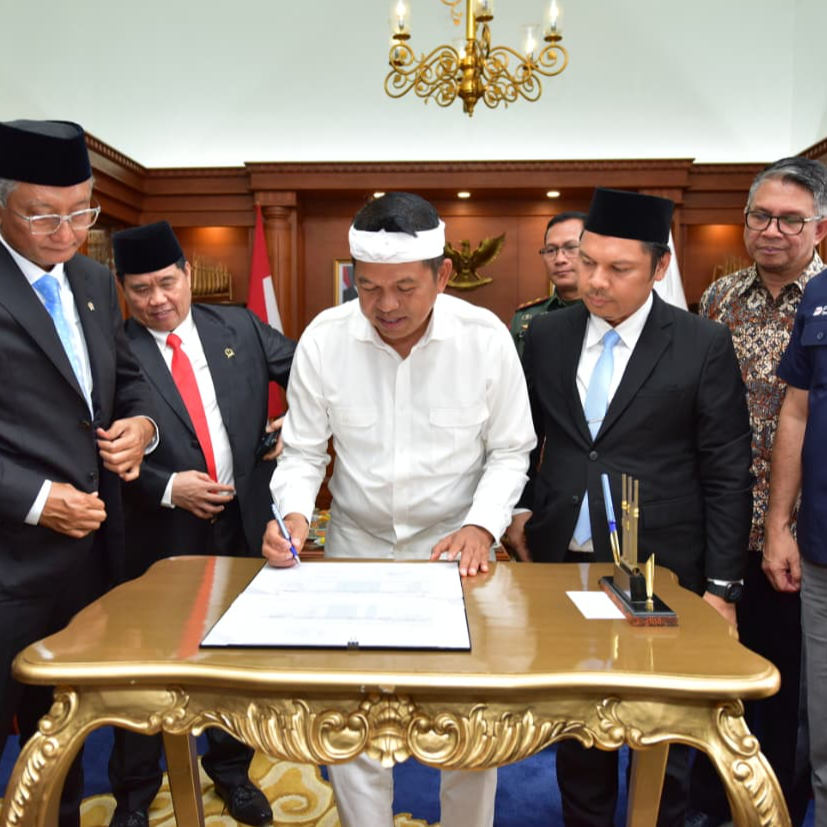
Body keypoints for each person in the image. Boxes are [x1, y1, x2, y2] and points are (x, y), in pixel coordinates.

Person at [262, 191, 535, 827]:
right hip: (356, 551)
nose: (386, 305)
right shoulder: (325, 340)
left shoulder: (485, 339)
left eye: (405, 287)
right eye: (369, 287)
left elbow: (510, 451)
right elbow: (302, 451)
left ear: (443, 275)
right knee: (353, 721)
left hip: (457, 555)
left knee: (467, 722)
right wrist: (294, 514)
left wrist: (481, 525)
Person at [507, 187, 753, 827]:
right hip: (563, 558)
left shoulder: (702, 343)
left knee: (663, 727)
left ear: (659, 266)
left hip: (661, 566)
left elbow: (727, 471)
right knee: (575, 720)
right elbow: (525, 437)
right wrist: (521, 509)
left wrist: (722, 588)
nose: (594, 280)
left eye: (618, 269)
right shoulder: (546, 334)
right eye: (587, 261)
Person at [106, 220, 296, 827]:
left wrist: (296, 425)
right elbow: (97, 448)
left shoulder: (238, 325)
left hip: (242, 523)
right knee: (149, 661)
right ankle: (135, 794)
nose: (157, 300)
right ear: (122, 290)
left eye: (167, 282)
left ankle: (231, 771)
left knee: (234, 657)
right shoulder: (111, 348)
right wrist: (168, 488)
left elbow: (311, 373)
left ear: (188, 275)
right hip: (158, 535)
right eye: (140, 289)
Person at [0, 119, 157, 827]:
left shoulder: (93, 279)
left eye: (80, 212)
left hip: (92, 556)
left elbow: (127, 383)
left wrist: (141, 428)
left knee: (56, 733)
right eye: (43, 215)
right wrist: (36, 499)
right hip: (10, 560)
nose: (66, 233)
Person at [687, 156, 827, 827]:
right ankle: (708, 802)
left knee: (787, 684)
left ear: (818, 227)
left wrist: (784, 525)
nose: (771, 230)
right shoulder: (718, 298)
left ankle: (776, 809)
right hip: (717, 521)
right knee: (710, 673)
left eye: (789, 220)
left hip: (796, 532)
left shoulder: (823, 299)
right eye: (760, 216)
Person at [764, 255, 827, 823]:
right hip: (819, 549)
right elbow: (798, 411)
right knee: (822, 733)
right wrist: (779, 523)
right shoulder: (821, 294)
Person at [509, 211, 585, 357]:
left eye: (570, 247)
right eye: (550, 250)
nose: (559, 259)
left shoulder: (609, 313)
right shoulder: (526, 317)